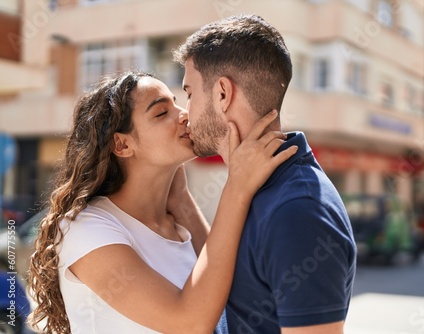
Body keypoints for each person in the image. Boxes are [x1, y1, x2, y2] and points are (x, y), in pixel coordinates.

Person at [27, 70, 297, 334]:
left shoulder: (179, 223)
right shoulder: (88, 229)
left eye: (178, 102)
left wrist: (182, 202)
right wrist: (236, 187)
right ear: (121, 145)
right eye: (161, 113)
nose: (185, 115)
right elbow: (189, 323)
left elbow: (234, 295)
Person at [174, 14, 357, 334]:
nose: (185, 111)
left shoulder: (296, 210)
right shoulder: (258, 186)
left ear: (221, 94)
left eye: (189, 93)